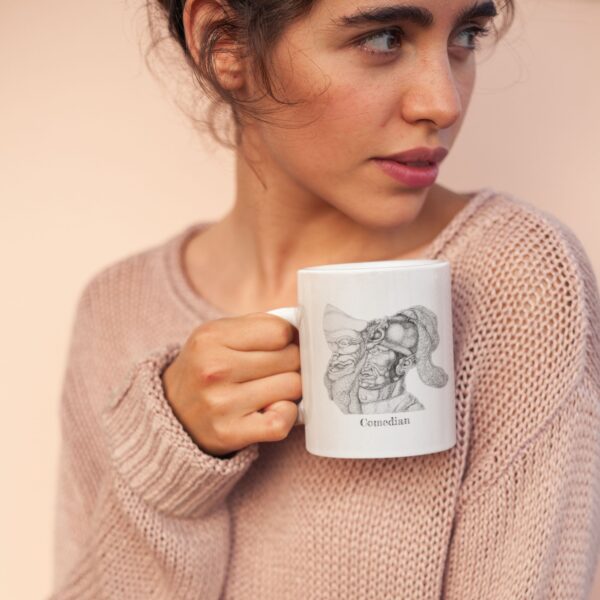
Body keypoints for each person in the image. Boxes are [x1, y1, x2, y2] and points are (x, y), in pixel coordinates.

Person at [49, 0, 600, 598]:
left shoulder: (517, 279)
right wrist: (169, 461)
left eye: (466, 34)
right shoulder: (118, 310)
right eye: (384, 38)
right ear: (225, 40)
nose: (444, 103)